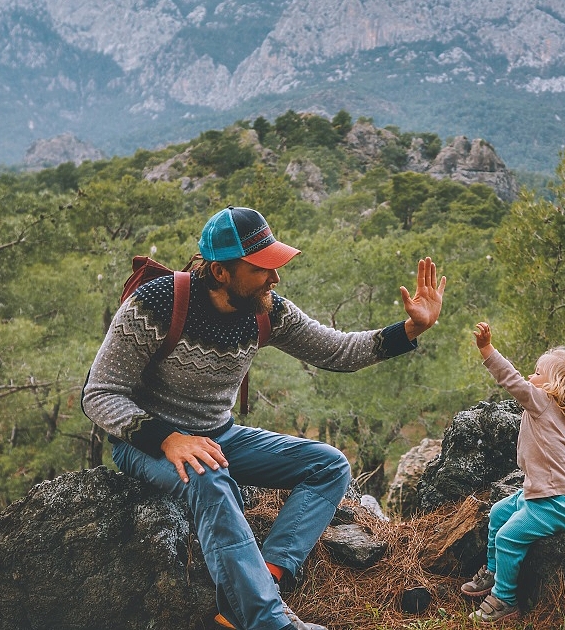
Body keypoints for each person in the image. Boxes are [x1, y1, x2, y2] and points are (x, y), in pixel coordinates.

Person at [82, 206, 445, 630]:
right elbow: (99, 393)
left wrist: (410, 329)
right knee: (208, 475)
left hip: (220, 434)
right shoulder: (158, 303)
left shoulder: (267, 310)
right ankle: (269, 622)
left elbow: (339, 351)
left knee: (329, 464)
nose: (275, 278)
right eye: (262, 269)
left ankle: (263, 581)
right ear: (221, 272)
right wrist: (168, 439)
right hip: (146, 445)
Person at [460, 322, 565, 623]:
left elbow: (512, 381)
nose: (531, 376)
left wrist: (487, 350)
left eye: (538, 373)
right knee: (499, 512)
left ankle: (505, 600)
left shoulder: (541, 403)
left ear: (555, 386)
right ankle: (494, 570)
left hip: (555, 503)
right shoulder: (561, 416)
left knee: (509, 537)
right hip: (542, 494)